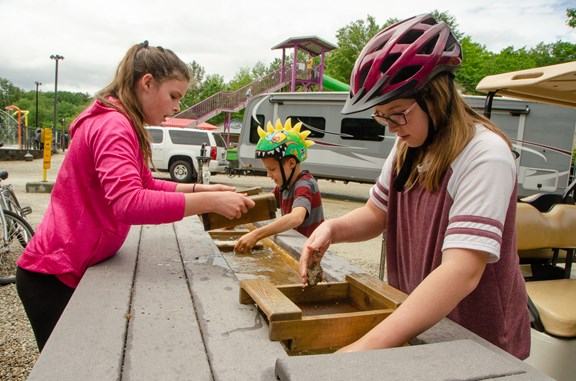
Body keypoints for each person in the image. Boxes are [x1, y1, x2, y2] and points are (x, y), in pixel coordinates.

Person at [298, 14, 530, 359]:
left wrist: (361, 349)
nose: (391, 126)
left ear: (437, 95)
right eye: (382, 115)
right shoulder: (408, 145)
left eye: (397, 113)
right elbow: (376, 214)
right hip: (417, 320)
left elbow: (461, 271)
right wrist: (331, 228)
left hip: (477, 339)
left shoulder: (485, 155)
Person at [16, 41, 255, 351]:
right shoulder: (113, 125)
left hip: (66, 269)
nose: (175, 108)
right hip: (54, 275)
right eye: (173, 96)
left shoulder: (120, 120)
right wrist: (210, 203)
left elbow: (146, 184)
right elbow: (129, 203)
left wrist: (204, 189)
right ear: (146, 83)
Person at [234, 118, 324, 252]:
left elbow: (296, 218)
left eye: (272, 169)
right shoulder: (283, 187)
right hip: (297, 247)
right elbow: (263, 205)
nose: (268, 175)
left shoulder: (304, 184)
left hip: (310, 251)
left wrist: (256, 234)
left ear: (291, 164)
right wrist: (235, 220)